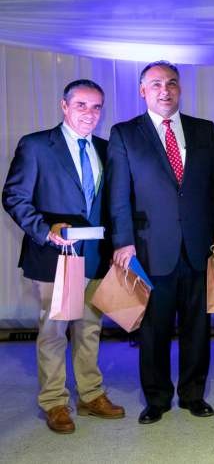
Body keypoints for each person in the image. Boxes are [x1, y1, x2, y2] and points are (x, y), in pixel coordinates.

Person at [107, 61, 214, 424]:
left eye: (172, 83)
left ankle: (194, 395)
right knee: (154, 330)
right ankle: (157, 399)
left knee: (198, 326)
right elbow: (118, 195)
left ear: (180, 89)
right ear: (142, 90)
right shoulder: (125, 134)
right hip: (149, 248)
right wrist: (123, 241)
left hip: (199, 246)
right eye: (157, 84)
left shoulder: (204, 130)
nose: (166, 90)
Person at [2, 79, 124, 433]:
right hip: (55, 258)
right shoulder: (38, 145)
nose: (90, 113)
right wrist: (44, 230)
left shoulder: (106, 148)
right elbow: (14, 197)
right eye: (82, 105)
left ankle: (90, 395)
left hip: (95, 257)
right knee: (53, 331)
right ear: (64, 106)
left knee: (89, 329)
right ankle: (54, 402)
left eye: (97, 107)